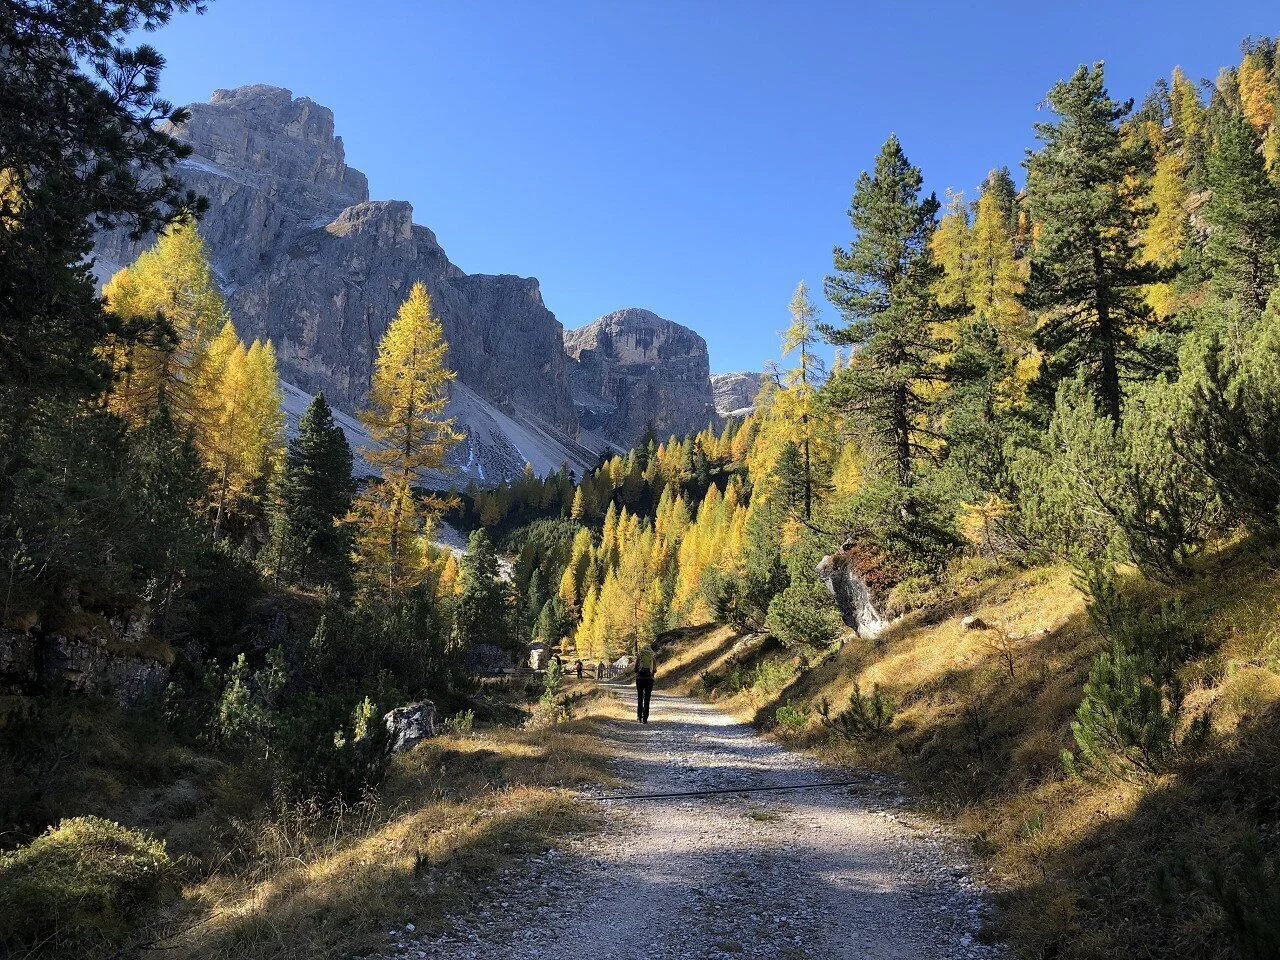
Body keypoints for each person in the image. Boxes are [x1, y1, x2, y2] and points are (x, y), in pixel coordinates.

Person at [635, 643, 655, 723]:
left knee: (640, 698)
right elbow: (655, 669)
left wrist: (638, 673)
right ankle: (645, 719)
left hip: (640, 679)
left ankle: (639, 717)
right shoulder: (652, 657)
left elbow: (636, 668)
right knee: (647, 699)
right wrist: (651, 675)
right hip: (649, 679)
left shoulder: (640, 656)